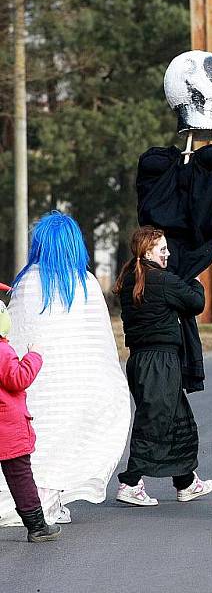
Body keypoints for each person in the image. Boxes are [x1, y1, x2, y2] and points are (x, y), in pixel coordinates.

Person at [0, 211, 131, 526]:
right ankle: (46, 502)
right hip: (81, 390)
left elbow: (12, 337)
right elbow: (100, 346)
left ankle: (38, 503)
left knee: (37, 449)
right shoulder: (85, 283)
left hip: (36, 391)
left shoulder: (28, 282)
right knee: (66, 444)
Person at [113, 226, 212, 506]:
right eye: (162, 249)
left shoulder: (130, 279)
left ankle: (186, 482)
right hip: (159, 363)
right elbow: (196, 302)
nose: (168, 254)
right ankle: (130, 483)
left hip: (139, 361)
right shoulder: (162, 280)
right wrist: (193, 280)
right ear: (147, 251)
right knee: (154, 422)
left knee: (176, 419)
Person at [0, 283, 60, 542]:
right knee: (21, 478)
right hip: (8, 429)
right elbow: (18, 378)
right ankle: (37, 525)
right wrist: (34, 355)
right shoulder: (2, 350)